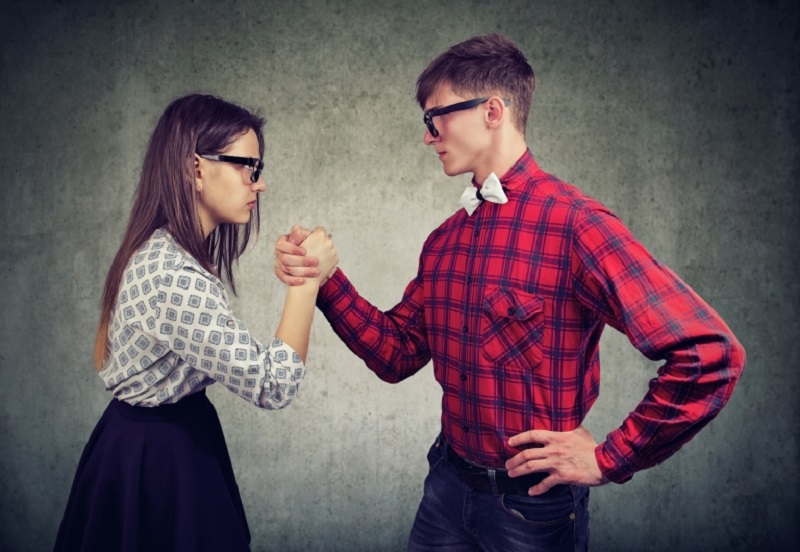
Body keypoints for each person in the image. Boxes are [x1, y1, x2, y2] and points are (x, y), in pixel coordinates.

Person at [274, 34, 747, 551]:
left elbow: (709, 353)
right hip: (445, 489)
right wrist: (323, 278)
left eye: (436, 118)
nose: (429, 138)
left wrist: (609, 459)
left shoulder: (576, 225)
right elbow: (397, 353)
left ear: (492, 111)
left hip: (533, 512)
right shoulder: (444, 241)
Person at [53, 93, 338, 552]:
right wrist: (306, 281)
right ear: (196, 169)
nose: (260, 184)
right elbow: (272, 385)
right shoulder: (172, 274)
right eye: (248, 167)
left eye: (258, 169)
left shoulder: (165, 253)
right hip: (156, 464)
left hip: (163, 445)